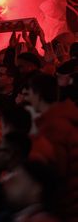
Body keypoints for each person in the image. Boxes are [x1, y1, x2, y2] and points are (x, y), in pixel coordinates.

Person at [26, 73, 78, 219]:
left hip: (67, 208)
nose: (28, 99)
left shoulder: (53, 126)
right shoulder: (65, 118)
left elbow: (56, 173)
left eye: (29, 93)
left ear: (37, 94)